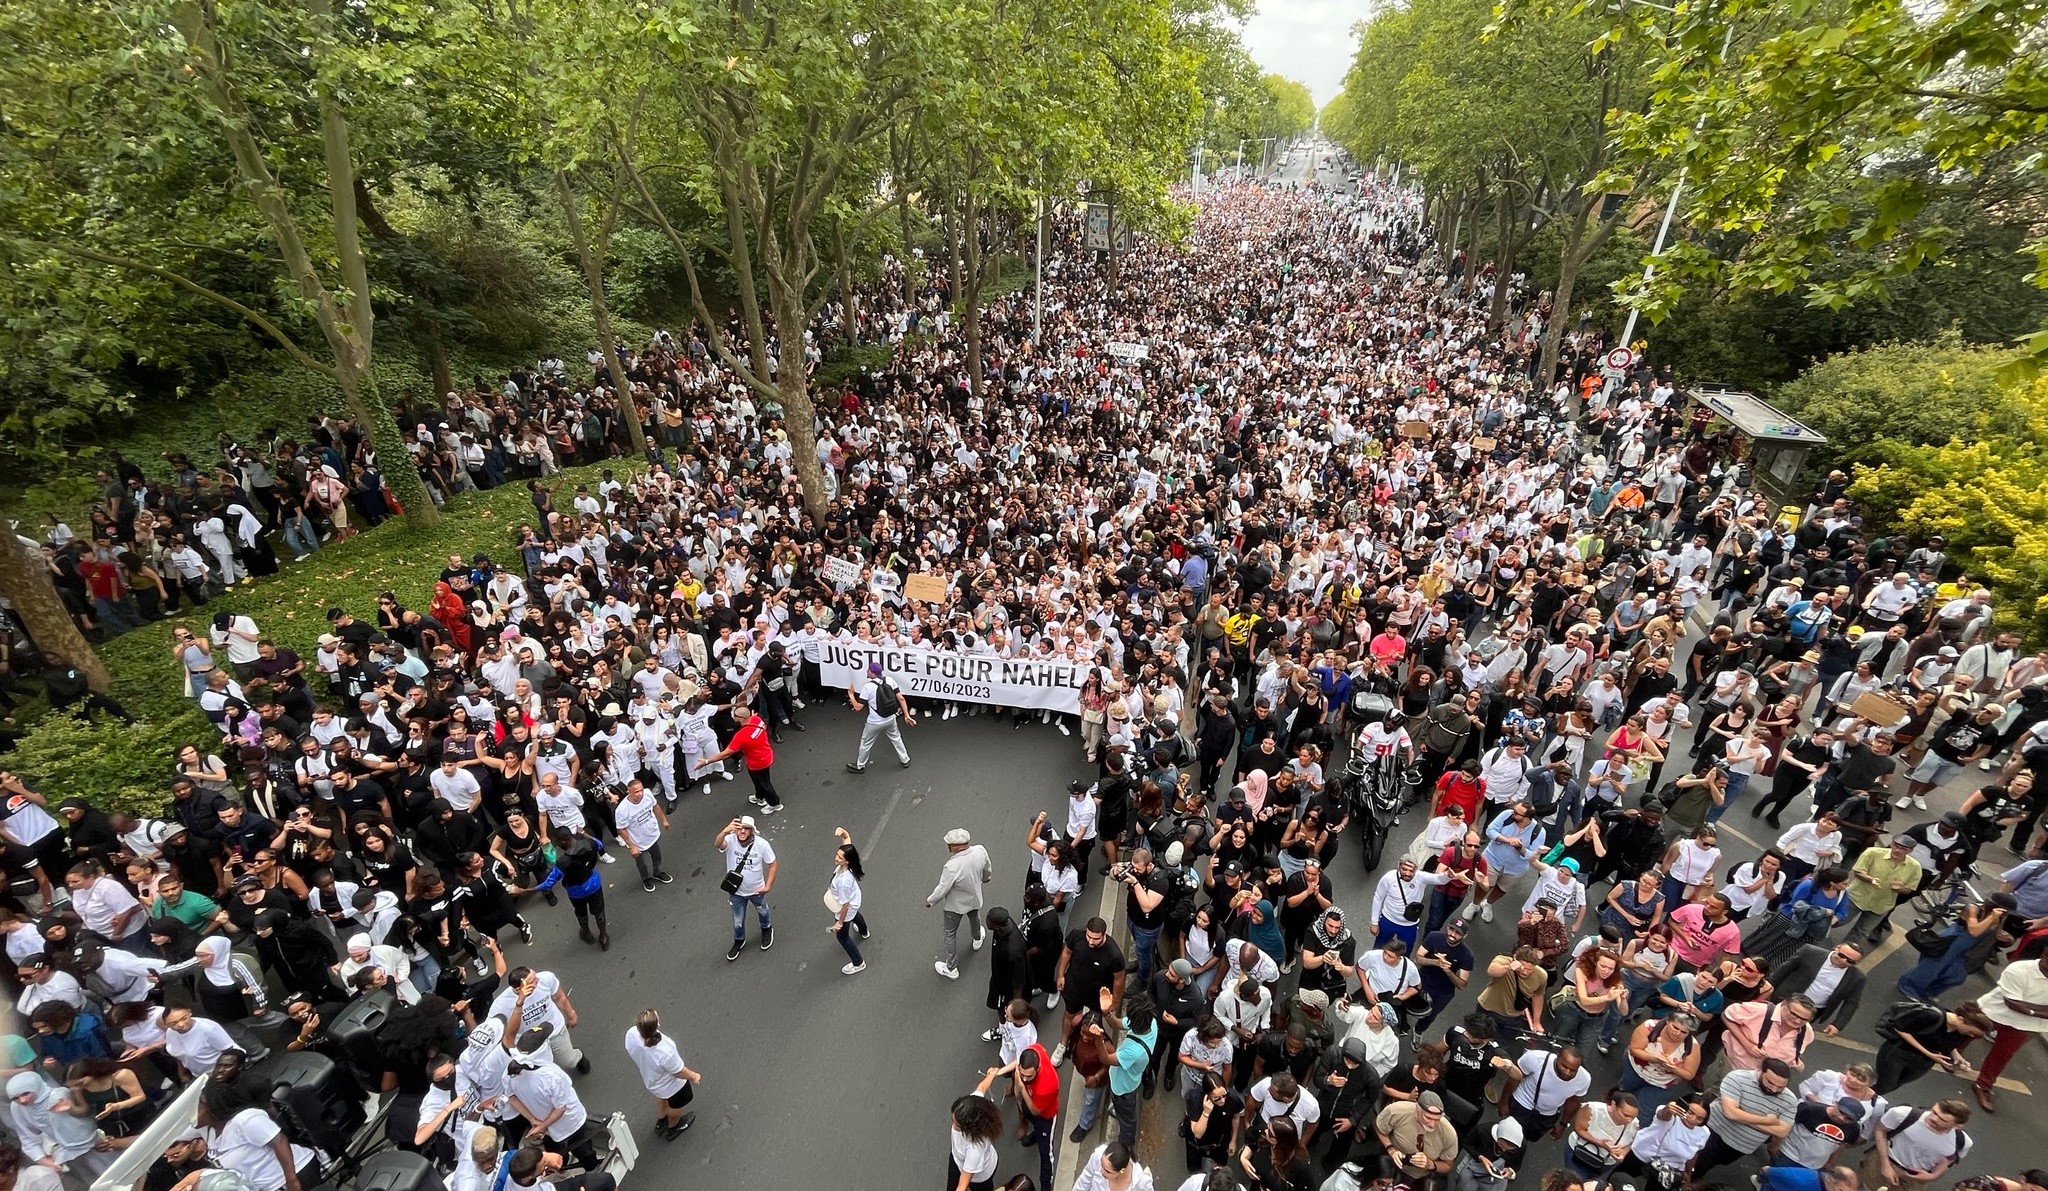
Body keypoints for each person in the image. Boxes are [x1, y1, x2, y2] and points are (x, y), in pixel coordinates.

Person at [1694, 1057, 1799, 1177]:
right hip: (1714, 1132)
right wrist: (1768, 1121)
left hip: (1741, 1146)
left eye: (1781, 1087)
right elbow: (1730, 1113)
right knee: (1696, 1163)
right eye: (1770, 1082)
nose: (1774, 1089)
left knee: (1715, 1162)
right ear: (1760, 1071)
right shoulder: (1737, 1078)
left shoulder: (1790, 1100)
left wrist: (1741, 1116)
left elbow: (1782, 1132)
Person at [928, 827, 994, 980]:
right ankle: (977, 938)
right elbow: (987, 869)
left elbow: (942, 889)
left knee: (950, 934)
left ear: (958, 846)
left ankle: (951, 967)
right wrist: (985, 878)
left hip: (955, 906)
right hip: (974, 898)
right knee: (974, 917)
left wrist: (931, 901)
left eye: (949, 844)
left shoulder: (951, 866)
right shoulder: (980, 851)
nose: (948, 847)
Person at [1865, 1100, 1975, 1191]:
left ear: (1957, 1126)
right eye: (1934, 1112)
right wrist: (1885, 1165)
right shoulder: (1902, 1114)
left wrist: (1933, 1176)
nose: (1933, 1118)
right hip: (1884, 1162)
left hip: (1914, 1179)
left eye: (1943, 1120)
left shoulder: (1962, 1141)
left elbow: (1949, 1160)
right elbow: (1880, 1130)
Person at [702, 701, 782, 813]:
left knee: (764, 783)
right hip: (765, 756)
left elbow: (725, 753)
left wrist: (706, 761)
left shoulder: (742, 735)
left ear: (741, 718)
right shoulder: (756, 720)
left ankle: (775, 803)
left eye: (735, 715)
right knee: (759, 781)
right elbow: (754, 717)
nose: (733, 717)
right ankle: (760, 797)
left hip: (757, 763)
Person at [715, 815, 775, 962]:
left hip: (756, 890)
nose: (742, 832)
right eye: (739, 828)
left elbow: (773, 864)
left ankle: (766, 929)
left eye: (746, 829)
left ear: (751, 831)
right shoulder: (730, 839)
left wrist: (767, 886)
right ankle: (739, 940)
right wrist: (725, 831)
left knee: (763, 910)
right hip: (736, 892)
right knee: (737, 921)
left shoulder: (762, 845)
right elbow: (718, 844)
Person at [1502, 1045, 1591, 1142]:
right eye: (1564, 1066)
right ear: (1557, 1057)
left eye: (1573, 1070)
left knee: (1529, 1139)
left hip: (1547, 1116)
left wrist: (1563, 1124)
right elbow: (1514, 1078)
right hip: (1521, 1104)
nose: (1567, 1072)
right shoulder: (1535, 1058)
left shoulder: (1584, 1079)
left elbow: (1573, 1102)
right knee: (1508, 1135)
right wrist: (1504, 1102)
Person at [846, 660, 914, 772]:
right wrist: (906, 715)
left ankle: (860, 766)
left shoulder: (868, 687)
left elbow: (858, 707)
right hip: (890, 718)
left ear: (872, 673)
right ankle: (905, 759)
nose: (867, 672)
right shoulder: (890, 680)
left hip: (874, 722)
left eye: (868, 670)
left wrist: (851, 695)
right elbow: (901, 698)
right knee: (896, 738)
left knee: (865, 743)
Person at [946, 1073, 1005, 1191]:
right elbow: (982, 1087)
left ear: (969, 1127)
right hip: (957, 1158)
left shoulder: (974, 1149)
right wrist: (992, 1074)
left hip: (979, 1178)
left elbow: (963, 1184)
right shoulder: (971, 1106)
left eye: (957, 1124)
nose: (953, 1126)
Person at [827, 827, 870, 975]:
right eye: (837, 854)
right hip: (854, 901)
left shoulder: (844, 881)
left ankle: (858, 962)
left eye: (839, 857)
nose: (836, 858)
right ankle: (864, 931)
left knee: (843, 936)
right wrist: (843, 834)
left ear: (846, 860)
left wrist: (839, 922)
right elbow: (847, 841)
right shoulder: (848, 865)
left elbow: (844, 905)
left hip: (845, 906)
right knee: (855, 915)